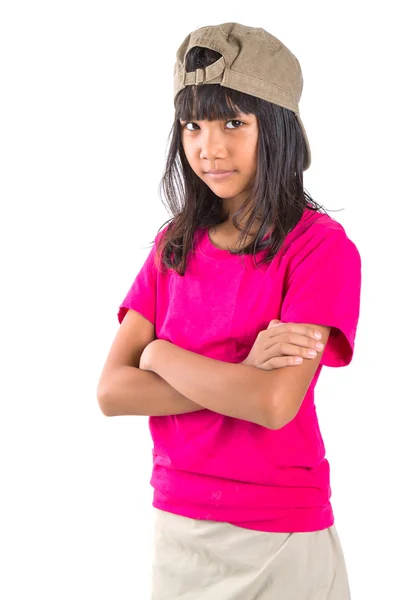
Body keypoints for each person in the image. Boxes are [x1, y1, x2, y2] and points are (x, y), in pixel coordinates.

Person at [97, 22, 361, 600]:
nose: (208, 148)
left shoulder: (319, 249)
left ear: (280, 129)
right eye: (193, 125)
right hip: (179, 530)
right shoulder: (174, 246)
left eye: (234, 123)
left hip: (281, 534)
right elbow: (113, 391)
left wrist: (161, 356)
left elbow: (272, 404)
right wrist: (238, 377)